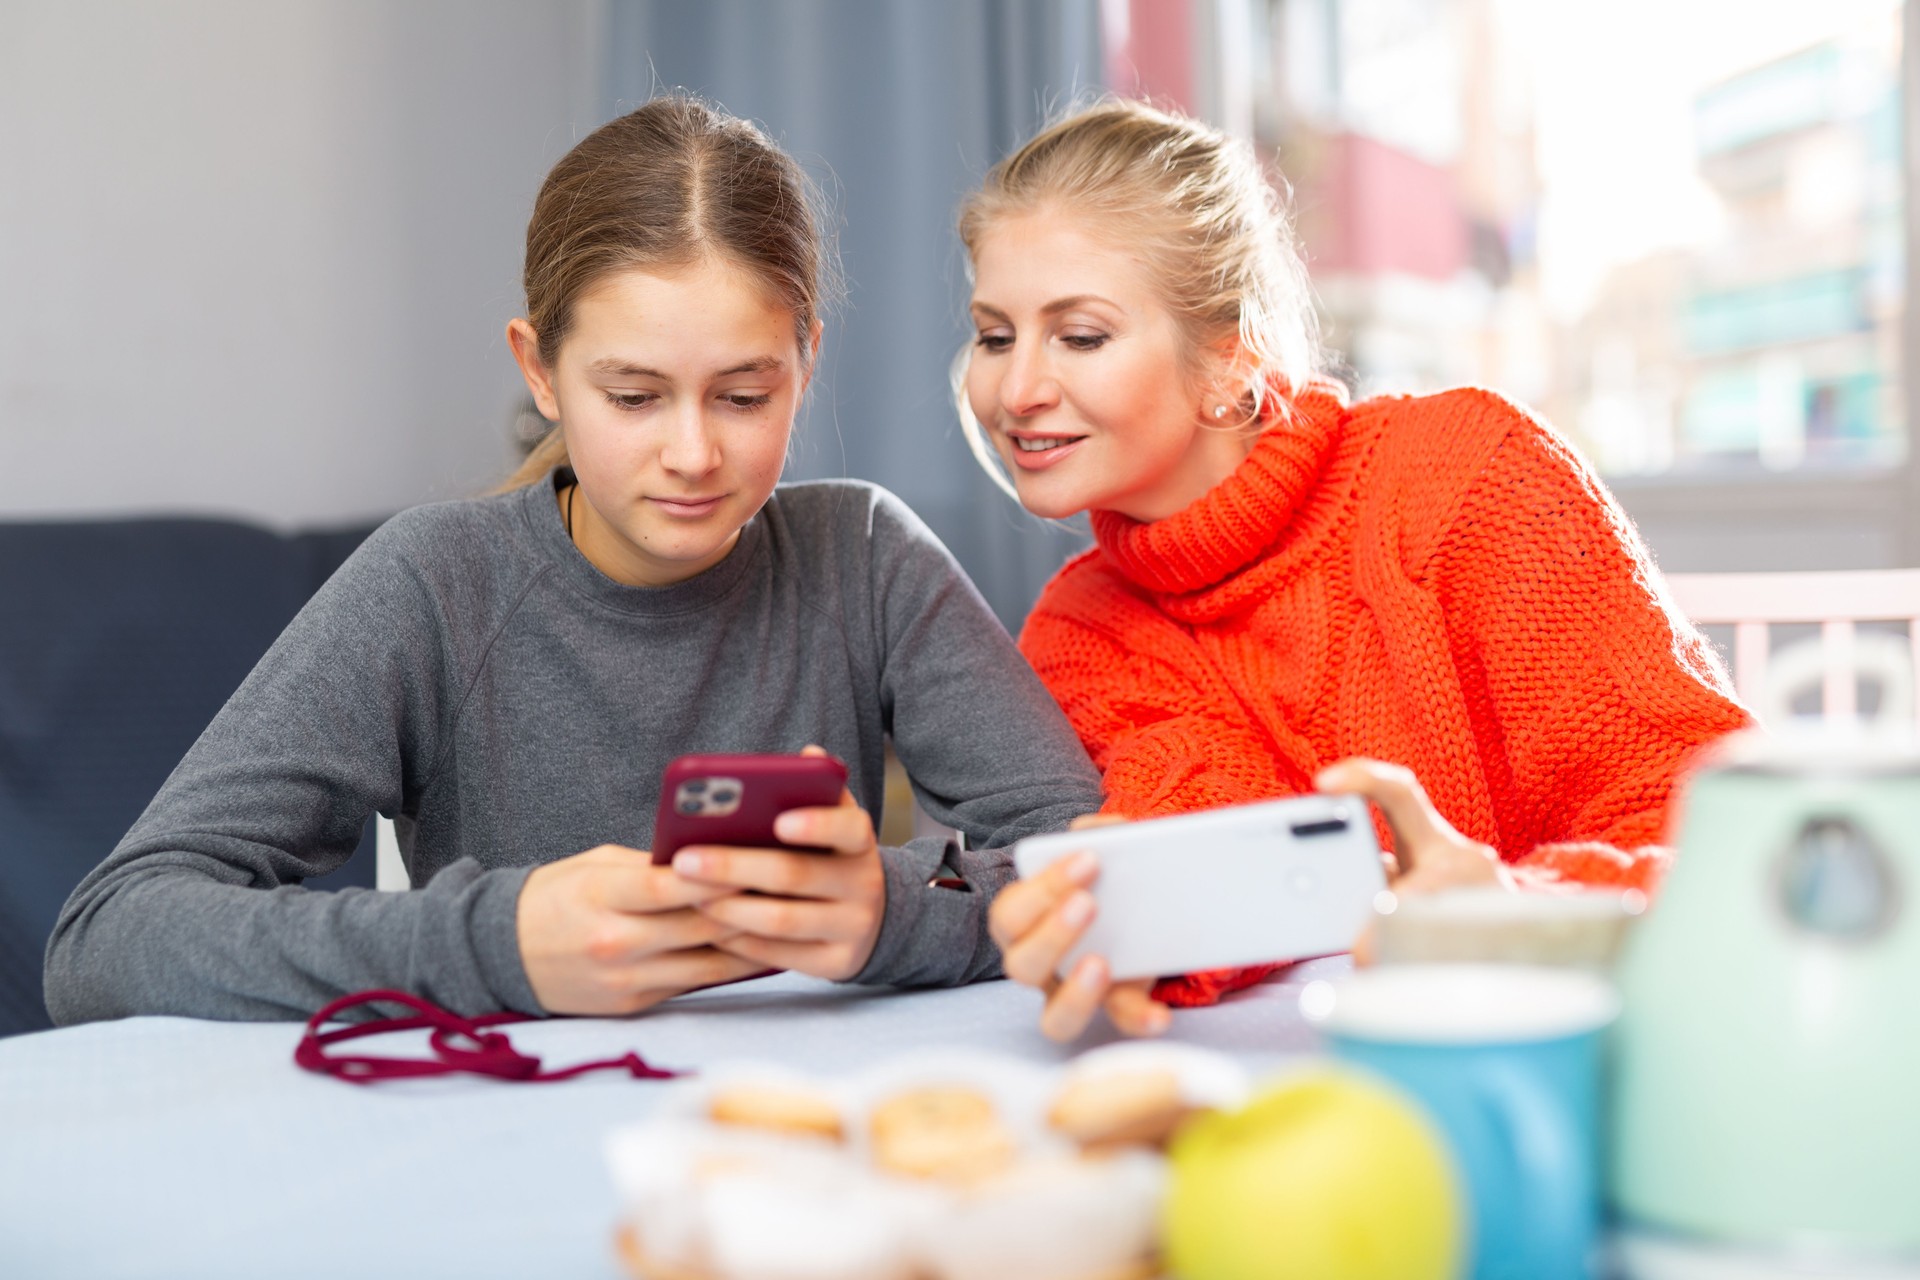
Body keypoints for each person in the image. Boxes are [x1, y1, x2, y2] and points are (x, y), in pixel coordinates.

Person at [44, 96, 1103, 1025]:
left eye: (744, 395)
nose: (693, 453)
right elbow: (107, 934)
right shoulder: (434, 583)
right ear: (539, 371)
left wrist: (889, 908)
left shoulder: (863, 556)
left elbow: (1089, 856)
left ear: (808, 360)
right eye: (633, 396)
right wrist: (498, 944)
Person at [961, 99, 1750, 1041]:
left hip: (1642, 1047)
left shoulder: (1467, 473)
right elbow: (1224, 816)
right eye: (996, 335)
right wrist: (1133, 911)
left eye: (1080, 336)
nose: (1015, 391)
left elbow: (1717, 830)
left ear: (1228, 361)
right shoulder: (1079, 631)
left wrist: (1513, 906)